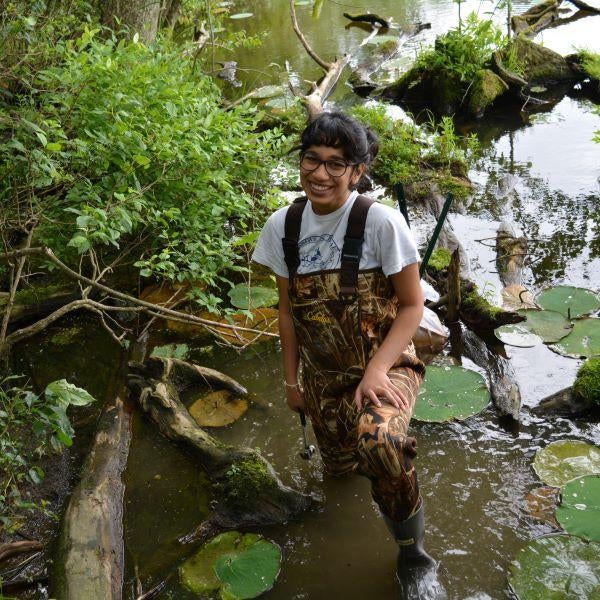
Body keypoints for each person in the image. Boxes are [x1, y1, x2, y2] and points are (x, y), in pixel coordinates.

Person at [252, 111, 443, 598]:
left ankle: (412, 553)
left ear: (358, 170)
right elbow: (289, 313)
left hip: (385, 366)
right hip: (321, 376)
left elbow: (412, 304)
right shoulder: (284, 226)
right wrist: (292, 384)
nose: (320, 174)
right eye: (311, 160)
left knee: (380, 446)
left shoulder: (381, 222)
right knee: (337, 470)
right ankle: (345, 517)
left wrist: (378, 367)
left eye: (336, 164)